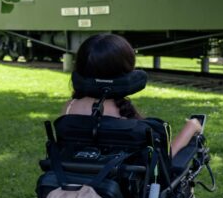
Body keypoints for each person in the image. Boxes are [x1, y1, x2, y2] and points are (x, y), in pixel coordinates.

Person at [63, 33, 202, 156]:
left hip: (71, 182)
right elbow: (164, 160)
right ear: (127, 69)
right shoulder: (130, 124)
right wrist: (191, 127)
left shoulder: (69, 109)